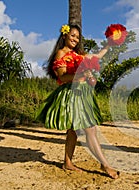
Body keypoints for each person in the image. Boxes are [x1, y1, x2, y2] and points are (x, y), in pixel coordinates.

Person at [36, 24, 119, 179]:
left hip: (83, 93)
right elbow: (62, 77)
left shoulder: (79, 55)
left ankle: (67, 162)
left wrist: (109, 43)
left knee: (73, 130)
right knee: (90, 129)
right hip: (72, 94)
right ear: (65, 35)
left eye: (77, 37)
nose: (75, 39)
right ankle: (104, 164)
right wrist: (81, 74)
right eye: (72, 35)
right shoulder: (61, 53)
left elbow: (97, 56)